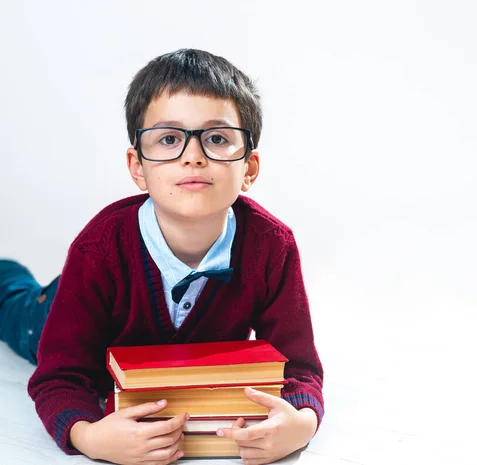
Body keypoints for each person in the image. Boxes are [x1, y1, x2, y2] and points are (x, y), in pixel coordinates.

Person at [0, 48, 323, 465]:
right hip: (65, 313)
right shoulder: (97, 250)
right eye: (169, 139)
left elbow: (299, 366)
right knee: (16, 306)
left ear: (250, 168)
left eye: (218, 138)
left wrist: (302, 422)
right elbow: (59, 375)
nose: (194, 155)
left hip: (163, 362)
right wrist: (88, 437)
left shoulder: (272, 246)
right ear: (137, 166)